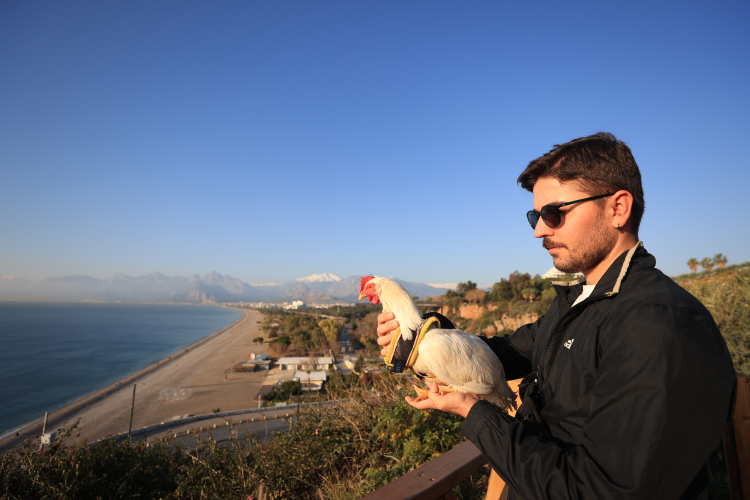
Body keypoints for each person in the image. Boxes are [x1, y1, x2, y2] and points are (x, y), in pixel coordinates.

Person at [376, 132, 736, 500]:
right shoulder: (583, 302)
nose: (538, 230)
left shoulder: (656, 324)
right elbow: (502, 352)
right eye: (535, 216)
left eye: (553, 213)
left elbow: (599, 491)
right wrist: (421, 336)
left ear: (617, 209)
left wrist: (474, 412)